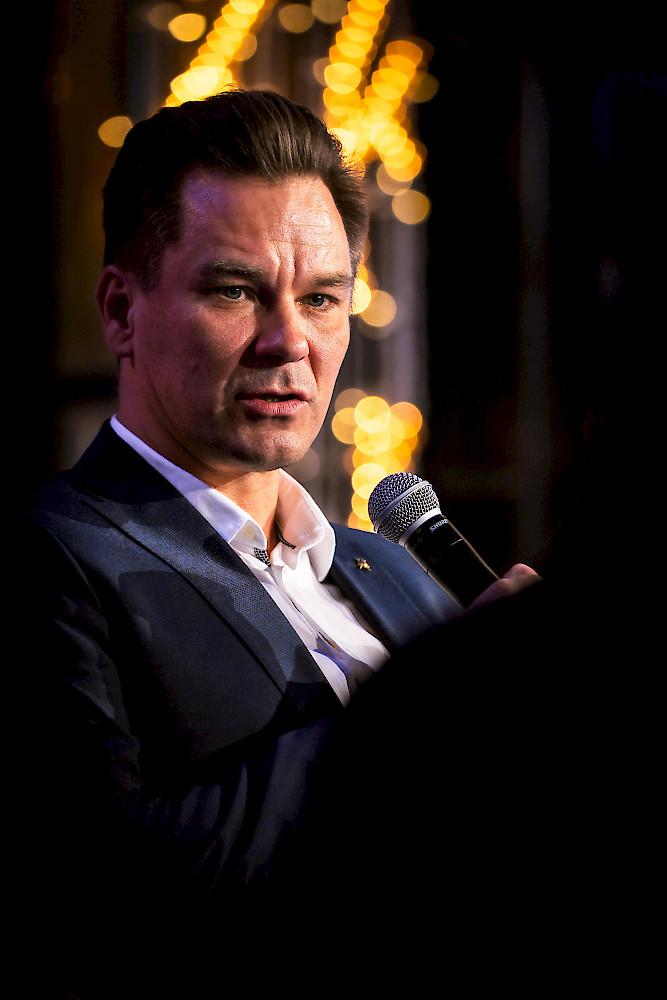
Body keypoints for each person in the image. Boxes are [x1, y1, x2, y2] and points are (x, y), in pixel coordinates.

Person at [24, 89, 538, 995]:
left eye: (322, 298)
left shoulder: (391, 566)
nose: (288, 342)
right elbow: (101, 881)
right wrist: (437, 712)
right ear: (120, 309)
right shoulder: (49, 553)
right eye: (234, 291)